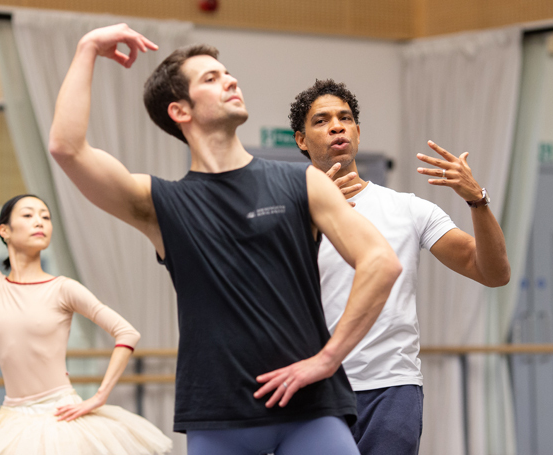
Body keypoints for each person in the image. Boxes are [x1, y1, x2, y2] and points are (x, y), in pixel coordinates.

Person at [48, 24, 402, 455]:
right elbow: (67, 148)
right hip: (218, 418)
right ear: (180, 111)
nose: (230, 80)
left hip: (312, 412)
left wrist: (328, 359)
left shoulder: (304, 182)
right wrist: (86, 47)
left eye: (228, 73)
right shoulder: (160, 203)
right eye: (211, 79)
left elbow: (381, 262)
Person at [289, 79, 511, 455]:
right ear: (301, 139)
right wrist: (306, 217)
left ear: (358, 132)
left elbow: (492, 272)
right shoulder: (289, 210)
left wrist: (478, 202)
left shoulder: (408, 208)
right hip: (314, 386)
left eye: (345, 118)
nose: (337, 126)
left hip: (391, 387)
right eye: (322, 120)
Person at [0, 106, 172, 455]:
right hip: (10, 420)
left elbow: (127, 333)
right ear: (5, 231)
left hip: (62, 419)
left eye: (45, 216)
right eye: (28, 215)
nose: (39, 221)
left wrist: (99, 397)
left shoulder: (64, 288)